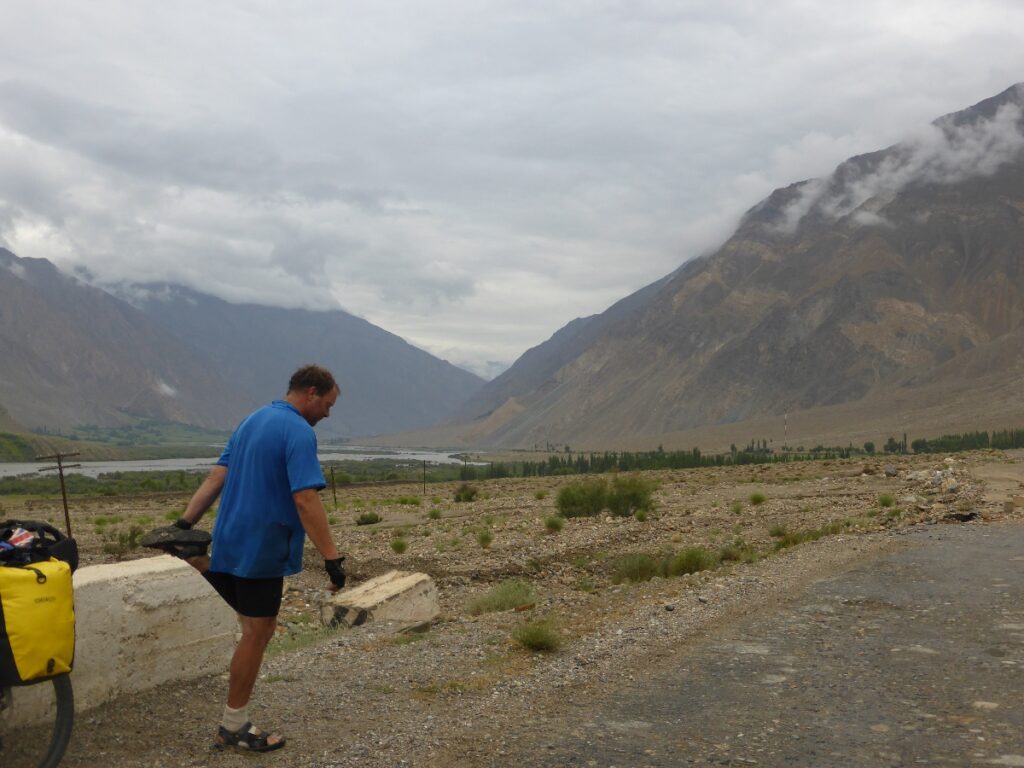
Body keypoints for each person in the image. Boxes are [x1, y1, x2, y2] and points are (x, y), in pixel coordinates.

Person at [142, 364, 347, 753]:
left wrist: (184, 524)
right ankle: (234, 725)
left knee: (257, 623)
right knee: (257, 631)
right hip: (263, 544)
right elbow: (305, 498)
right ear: (311, 393)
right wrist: (331, 558)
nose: (327, 413)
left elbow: (215, 477)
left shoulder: (251, 421)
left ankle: (198, 559)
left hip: (230, 535)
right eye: (328, 404)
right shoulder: (298, 431)